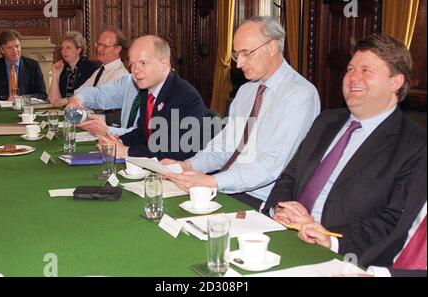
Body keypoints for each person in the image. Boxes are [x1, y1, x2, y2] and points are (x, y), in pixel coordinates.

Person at [263, 34, 427, 267]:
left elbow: (394, 222)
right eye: (350, 69)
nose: (352, 77)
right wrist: (280, 208)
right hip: (283, 233)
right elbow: (290, 175)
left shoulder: (415, 145)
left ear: (395, 82)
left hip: (338, 254)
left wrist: (330, 237)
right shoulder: (326, 121)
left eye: (365, 70)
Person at [163, 16, 320, 210]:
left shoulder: (299, 95)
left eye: (247, 53)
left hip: (262, 201)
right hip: (227, 187)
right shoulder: (246, 91)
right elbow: (223, 148)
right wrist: (188, 167)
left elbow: (269, 167)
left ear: (272, 47)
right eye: (237, 55)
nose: (239, 64)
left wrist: (212, 182)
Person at [298, 149, 427, 277]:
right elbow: (388, 225)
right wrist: (332, 240)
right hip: (369, 265)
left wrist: (381, 275)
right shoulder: (422, 163)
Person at [97, 35, 207, 160]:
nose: (135, 70)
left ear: (164, 64)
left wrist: (126, 151)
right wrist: (117, 141)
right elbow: (144, 134)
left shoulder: (185, 97)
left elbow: (175, 150)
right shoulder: (146, 91)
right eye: (132, 63)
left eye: (143, 63)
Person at [64, 28, 132, 135]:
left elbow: (104, 105)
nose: (99, 49)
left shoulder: (121, 75)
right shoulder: (100, 70)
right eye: (98, 45)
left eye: (104, 46)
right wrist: (78, 99)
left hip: (107, 129)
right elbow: (85, 91)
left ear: (117, 49)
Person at [0, 30, 47, 102]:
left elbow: (42, 94)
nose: (15, 51)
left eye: (17, 46)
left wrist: (22, 98)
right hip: (1, 109)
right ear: (1, 50)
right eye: (9, 48)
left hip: (25, 108)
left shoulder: (33, 66)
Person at [48, 31, 101, 107]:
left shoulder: (91, 67)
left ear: (79, 50)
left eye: (68, 48)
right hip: (66, 112)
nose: (64, 51)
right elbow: (53, 101)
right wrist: (55, 74)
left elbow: (90, 96)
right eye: (62, 48)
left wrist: (68, 100)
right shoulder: (63, 69)